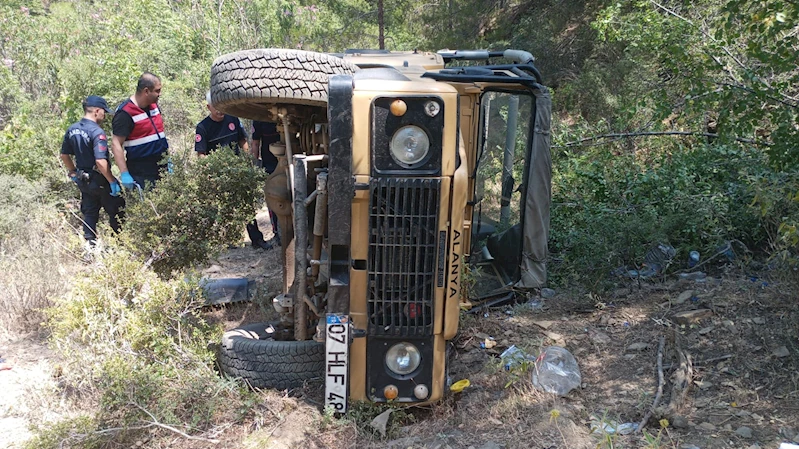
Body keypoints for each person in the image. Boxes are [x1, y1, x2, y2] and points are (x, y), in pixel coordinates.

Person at [194, 93, 271, 250]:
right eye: (215, 107)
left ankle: (257, 240)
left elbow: (243, 141)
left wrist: (247, 161)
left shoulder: (233, 119)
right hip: (219, 174)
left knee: (246, 207)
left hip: (238, 170)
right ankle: (225, 241)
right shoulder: (202, 127)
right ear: (209, 107)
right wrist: (208, 174)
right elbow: (201, 155)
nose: (219, 111)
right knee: (221, 209)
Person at [60, 95, 124, 244]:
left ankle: (90, 246)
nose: (104, 115)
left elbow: (64, 155)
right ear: (96, 111)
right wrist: (112, 181)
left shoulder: (72, 129)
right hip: (99, 179)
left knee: (90, 213)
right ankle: (119, 244)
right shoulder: (97, 132)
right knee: (116, 209)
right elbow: (100, 161)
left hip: (83, 179)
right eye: (103, 112)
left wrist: (73, 172)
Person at [111, 72, 168, 190]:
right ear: (146, 91)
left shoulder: (154, 106)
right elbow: (116, 143)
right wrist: (124, 173)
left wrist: (168, 159)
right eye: (157, 91)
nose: (160, 94)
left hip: (163, 166)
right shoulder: (125, 113)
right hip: (142, 172)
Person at [250, 120, 282, 247]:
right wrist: (254, 167)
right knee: (273, 199)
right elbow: (255, 143)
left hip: (292, 159)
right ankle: (277, 233)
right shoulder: (259, 118)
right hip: (269, 165)